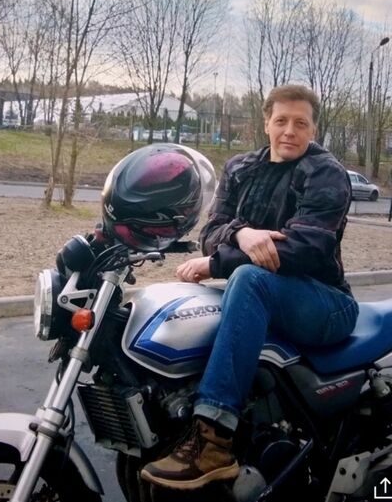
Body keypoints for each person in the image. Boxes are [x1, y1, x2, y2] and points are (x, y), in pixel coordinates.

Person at [141, 84, 359, 490]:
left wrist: (217, 263)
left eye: (301, 123)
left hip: (326, 301)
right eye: (281, 121)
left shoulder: (325, 173)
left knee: (248, 279)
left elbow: (302, 249)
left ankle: (214, 440)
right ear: (266, 123)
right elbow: (211, 231)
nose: (289, 131)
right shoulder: (241, 168)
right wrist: (241, 233)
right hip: (264, 293)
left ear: (313, 129)